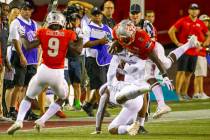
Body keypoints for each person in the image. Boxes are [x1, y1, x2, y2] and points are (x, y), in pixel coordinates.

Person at [7, 11, 82, 135]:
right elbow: (78, 50)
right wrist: (81, 37)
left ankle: (19, 120)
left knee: (28, 97)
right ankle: (42, 120)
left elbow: (28, 46)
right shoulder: (68, 33)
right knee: (63, 98)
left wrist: (22, 35)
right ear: (62, 22)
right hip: (57, 73)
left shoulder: (42, 32)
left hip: (43, 70)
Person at [168, 3, 210, 101]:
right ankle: (177, 94)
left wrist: (204, 44)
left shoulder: (200, 22)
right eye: (192, 9)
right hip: (184, 51)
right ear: (189, 11)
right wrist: (177, 43)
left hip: (195, 52)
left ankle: (184, 93)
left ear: (198, 11)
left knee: (189, 74)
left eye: (196, 9)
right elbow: (171, 31)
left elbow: (208, 33)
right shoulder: (183, 21)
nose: (194, 11)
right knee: (181, 72)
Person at [8, 1, 39, 120]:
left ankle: (26, 110)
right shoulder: (16, 22)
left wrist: (37, 59)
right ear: (20, 10)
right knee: (18, 85)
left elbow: (35, 40)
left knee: (27, 87)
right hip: (20, 56)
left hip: (32, 58)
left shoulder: (34, 23)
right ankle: (12, 110)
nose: (27, 11)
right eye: (25, 9)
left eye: (29, 9)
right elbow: (16, 41)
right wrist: (21, 56)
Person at [82, 7, 112, 117]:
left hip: (106, 59)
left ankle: (88, 104)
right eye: (95, 14)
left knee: (105, 85)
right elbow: (84, 44)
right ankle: (102, 108)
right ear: (91, 16)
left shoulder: (108, 28)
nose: (97, 16)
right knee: (101, 86)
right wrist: (100, 41)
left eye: (99, 14)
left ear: (102, 14)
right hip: (93, 59)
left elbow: (112, 42)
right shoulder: (87, 27)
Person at [193, 14, 210, 99]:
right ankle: (199, 93)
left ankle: (197, 93)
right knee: (199, 74)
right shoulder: (199, 31)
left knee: (200, 75)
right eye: (204, 21)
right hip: (198, 54)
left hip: (202, 54)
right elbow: (205, 43)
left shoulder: (204, 31)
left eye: (207, 21)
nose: (206, 23)